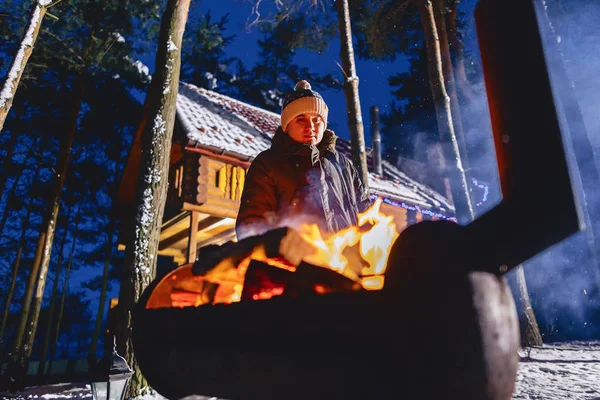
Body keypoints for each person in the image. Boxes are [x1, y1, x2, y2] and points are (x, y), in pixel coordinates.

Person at [235, 80, 371, 240]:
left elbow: (365, 215)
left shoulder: (343, 165)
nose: (311, 127)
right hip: (291, 261)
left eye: (316, 120)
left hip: (342, 261)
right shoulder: (268, 163)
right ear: (287, 125)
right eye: (301, 119)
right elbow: (251, 224)